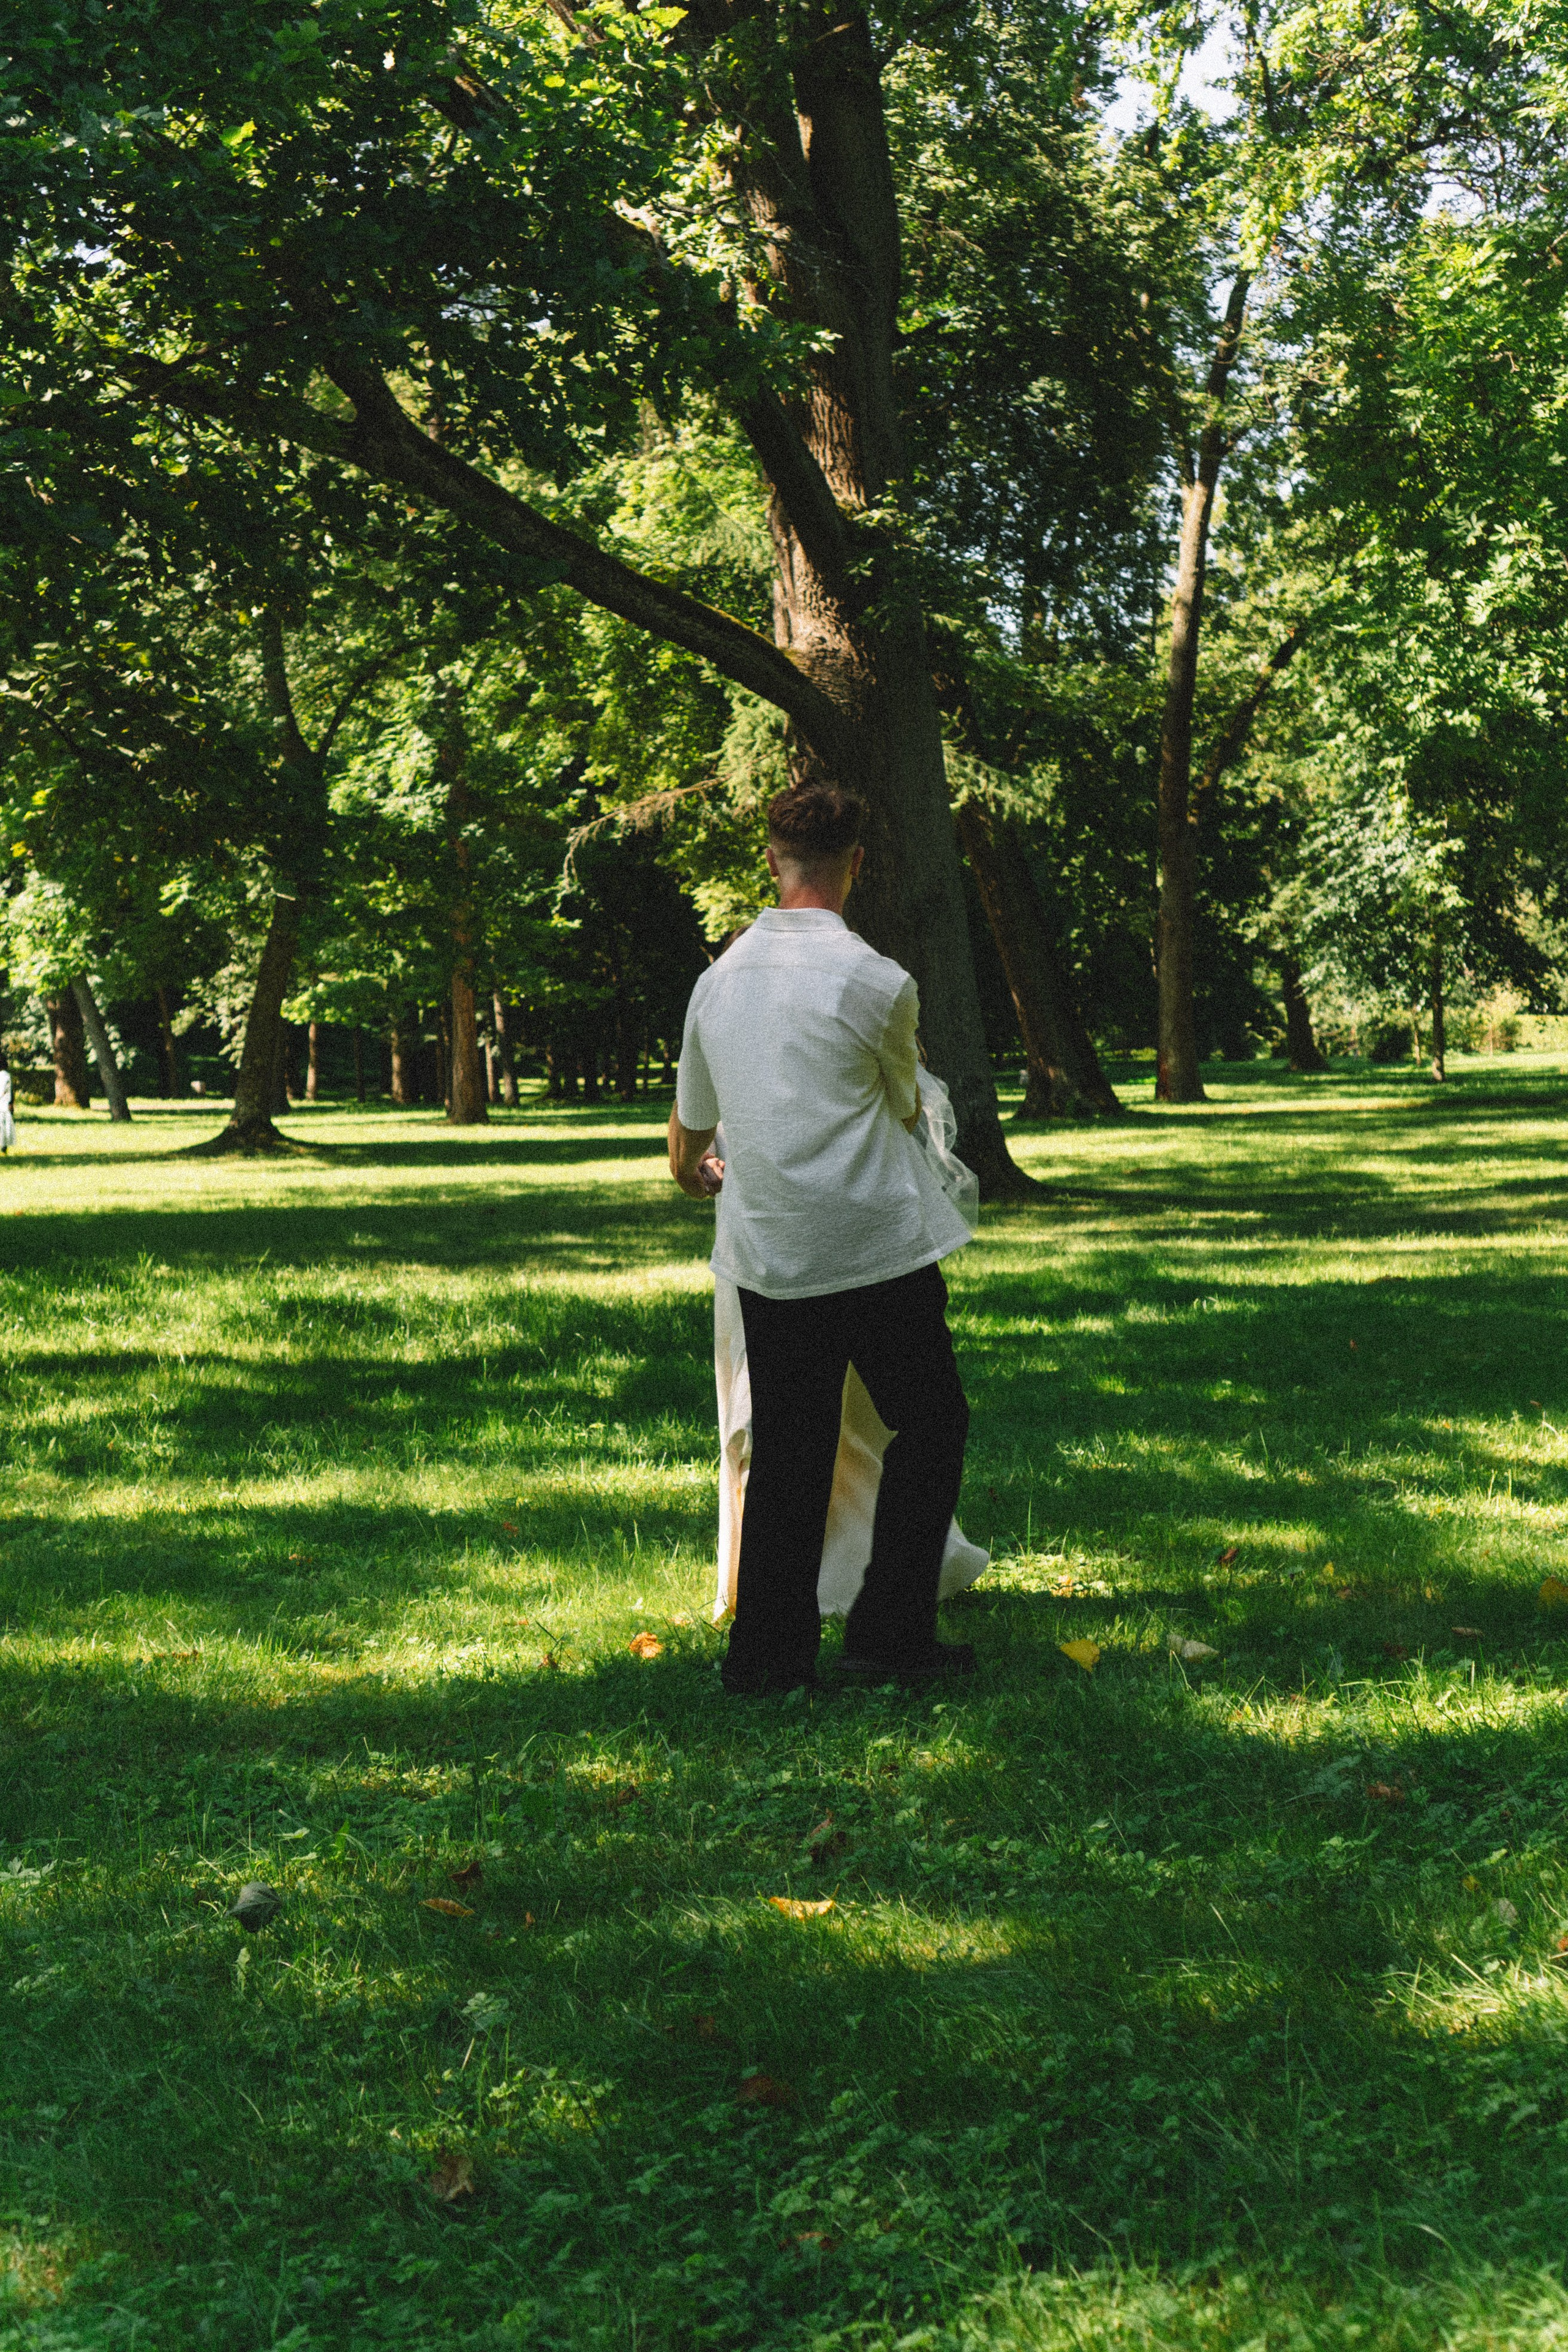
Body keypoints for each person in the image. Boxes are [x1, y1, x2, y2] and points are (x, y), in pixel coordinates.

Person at [669, 783, 978, 1695]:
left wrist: (694, 1172)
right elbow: (904, 1104)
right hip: (874, 1245)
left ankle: (767, 1659)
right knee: (931, 1422)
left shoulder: (716, 984)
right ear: (858, 864)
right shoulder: (878, 983)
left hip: (775, 1249)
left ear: (771, 860)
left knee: (790, 1449)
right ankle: (889, 1631)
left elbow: (691, 1130)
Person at [0, 1053, 13, 1155]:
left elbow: (3, 1091)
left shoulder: (4, 1076)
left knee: (3, 1126)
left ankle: (3, 1146)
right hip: (5, 1104)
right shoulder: (6, 1075)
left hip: (3, 1104)